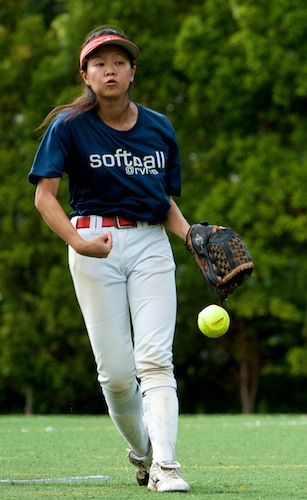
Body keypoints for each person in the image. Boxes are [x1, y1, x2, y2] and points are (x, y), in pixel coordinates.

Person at [29, 26, 191, 493]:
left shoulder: (159, 126)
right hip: (92, 243)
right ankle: (142, 453)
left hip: (150, 245)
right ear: (85, 74)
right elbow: (45, 199)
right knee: (118, 376)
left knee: (156, 360)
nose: (110, 69)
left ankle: (166, 465)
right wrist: (77, 243)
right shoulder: (70, 127)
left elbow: (161, 201)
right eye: (99, 63)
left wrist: (190, 238)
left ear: (133, 71)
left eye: (119, 61)